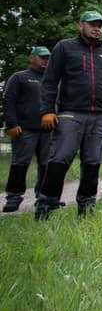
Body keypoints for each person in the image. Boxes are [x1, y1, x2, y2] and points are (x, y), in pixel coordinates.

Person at [36, 11, 102, 219]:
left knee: (93, 163)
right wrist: (47, 110)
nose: (97, 28)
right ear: (80, 25)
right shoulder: (65, 48)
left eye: (100, 24)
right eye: (92, 24)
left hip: (100, 116)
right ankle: (46, 204)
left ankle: (87, 207)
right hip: (69, 115)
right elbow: (49, 81)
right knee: (59, 160)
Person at [2, 46, 52, 212]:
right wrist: (11, 123)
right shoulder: (20, 78)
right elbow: (8, 100)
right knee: (20, 163)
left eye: (47, 58)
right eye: (42, 57)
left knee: (47, 165)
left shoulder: (52, 80)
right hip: (25, 130)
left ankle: (45, 198)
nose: (45, 60)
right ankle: (13, 198)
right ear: (32, 58)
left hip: (48, 130)